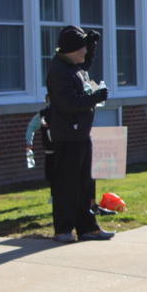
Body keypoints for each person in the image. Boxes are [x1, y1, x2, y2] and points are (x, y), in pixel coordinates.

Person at [45, 25, 113, 243]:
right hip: (68, 136)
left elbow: (86, 62)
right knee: (67, 185)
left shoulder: (73, 65)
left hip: (81, 134)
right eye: (82, 48)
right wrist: (97, 97)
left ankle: (87, 228)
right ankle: (63, 230)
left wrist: (91, 44)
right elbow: (69, 102)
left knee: (84, 185)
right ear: (72, 49)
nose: (85, 52)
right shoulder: (59, 71)